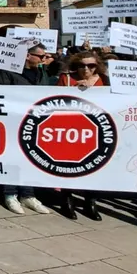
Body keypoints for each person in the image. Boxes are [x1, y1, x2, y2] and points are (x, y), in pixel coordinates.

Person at [0, 43, 51, 215]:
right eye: (41, 56)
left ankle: (28, 194)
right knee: (12, 158)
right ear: (27, 56)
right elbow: (3, 97)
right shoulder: (8, 72)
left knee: (30, 157)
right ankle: (10, 194)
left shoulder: (42, 73)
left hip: (36, 121)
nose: (44, 59)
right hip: (14, 122)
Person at [54, 51, 109, 221]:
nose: (86, 69)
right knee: (69, 165)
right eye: (81, 65)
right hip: (71, 128)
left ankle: (90, 201)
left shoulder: (105, 80)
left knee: (93, 165)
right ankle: (67, 199)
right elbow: (54, 99)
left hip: (96, 129)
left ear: (97, 66)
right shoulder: (66, 79)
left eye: (91, 65)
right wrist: (75, 91)